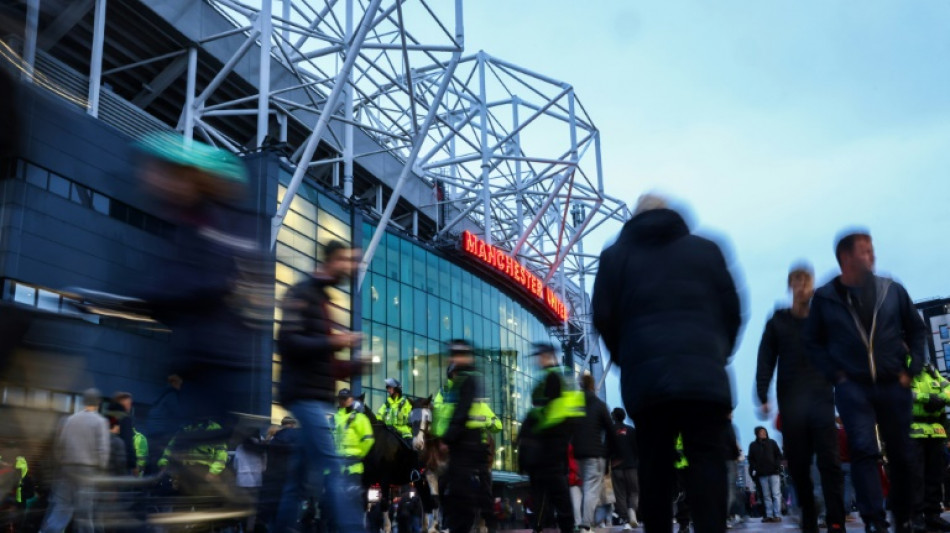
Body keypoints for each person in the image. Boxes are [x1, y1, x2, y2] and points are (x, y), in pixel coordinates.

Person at [592, 194, 742, 533]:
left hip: (648, 380)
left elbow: (602, 316)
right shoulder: (707, 249)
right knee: (706, 462)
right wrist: (718, 353)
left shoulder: (616, 256)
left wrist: (626, 356)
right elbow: (732, 309)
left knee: (655, 467)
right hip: (704, 379)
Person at [805, 231, 927, 533]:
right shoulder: (825, 297)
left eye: (872, 250)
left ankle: (905, 515)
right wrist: (837, 375)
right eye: (864, 251)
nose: (872, 256)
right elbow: (811, 341)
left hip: (892, 382)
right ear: (846, 258)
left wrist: (912, 370)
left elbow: (917, 329)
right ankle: (874, 518)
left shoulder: (892, 290)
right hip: (852, 387)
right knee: (862, 449)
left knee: (901, 451)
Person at [274, 240, 365, 533]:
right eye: (347, 261)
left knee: (297, 483)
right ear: (332, 260)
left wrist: (355, 366)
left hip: (314, 397)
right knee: (333, 467)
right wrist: (335, 341)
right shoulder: (303, 293)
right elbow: (288, 342)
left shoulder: (324, 299)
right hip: (304, 397)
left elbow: (324, 363)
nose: (351, 268)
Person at [756, 264, 845, 533]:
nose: (801, 288)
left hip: (821, 399)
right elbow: (765, 359)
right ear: (790, 286)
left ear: (813, 287)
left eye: (806, 283)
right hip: (791, 402)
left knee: (830, 462)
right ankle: (808, 513)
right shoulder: (777, 322)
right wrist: (763, 394)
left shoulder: (825, 320)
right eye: (796, 282)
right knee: (798, 464)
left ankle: (836, 519)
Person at [519, 342, 584, 533]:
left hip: (550, 441)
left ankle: (562, 526)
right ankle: (547, 525)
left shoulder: (553, 377)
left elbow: (548, 412)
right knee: (547, 487)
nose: (537, 360)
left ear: (548, 356)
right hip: (553, 441)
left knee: (553, 487)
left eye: (540, 356)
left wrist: (533, 428)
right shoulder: (562, 376)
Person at [438, 339, 498, 533]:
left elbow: (463, 413)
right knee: (455, 490)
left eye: (456, 355)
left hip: (470, 445)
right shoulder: (453, 388)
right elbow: (445, 414)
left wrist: (448, 437)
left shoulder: (468, 380)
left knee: (473, 493)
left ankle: (487, 525)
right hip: (461, 444)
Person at [39, 388, 110, 533]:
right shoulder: (100, 422)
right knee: (84, 513)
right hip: (87, 471)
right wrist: (101, 469)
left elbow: (60, 445)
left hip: (67, 469)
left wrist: (63, 463)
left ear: (84, 402)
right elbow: (103, 450)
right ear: (98, 403)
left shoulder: (70, 420)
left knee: (61, 508)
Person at [909, 362, 950, 531]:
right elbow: (902, 393)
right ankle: (916, 517)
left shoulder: (930, 370)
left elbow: (948, 387)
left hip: (935, 430)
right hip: (912, 431)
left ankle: (933, 515)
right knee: (915, 477)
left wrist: (940, 398)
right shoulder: (898, 366)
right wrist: (927, 398)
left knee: (935, 476)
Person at [574, 374, 618, 531]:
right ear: (593, 386)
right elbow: (611, 431)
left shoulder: (576, 406)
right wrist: (611, 453)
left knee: (585, 487)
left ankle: (585, 521)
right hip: (595, 453)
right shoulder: (599, 404)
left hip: (579, 454)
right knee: (591, 489)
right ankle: (585, 524)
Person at [333, 388, 375, 486]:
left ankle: (414, 471)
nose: (342, 401)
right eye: (341, 399)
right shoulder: (333, 418)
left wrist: (358, 455)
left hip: (353, 468)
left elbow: (368, 440)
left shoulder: (360, 418)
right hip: (335, 469)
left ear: (351, 400)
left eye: (345, 399)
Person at [611, 407, 640, 530]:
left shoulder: (610, 431)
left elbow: (607, 448)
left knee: (620, 494)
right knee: (634, 492)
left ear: (613, 417)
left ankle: (625, 519)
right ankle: (632, 512)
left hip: (616, 467)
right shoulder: (632, 430)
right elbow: (637, 449)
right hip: (631, 467)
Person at [747, 427, 783, 522]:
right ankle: (769, 515)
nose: (763, 433)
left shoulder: (772, 442)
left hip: (774, 472)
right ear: (757, 434)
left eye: (764, 431)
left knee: (776, 494)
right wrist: (756, 468)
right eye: (761, 432)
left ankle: (777, 515)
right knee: (766, 495)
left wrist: (776, 465)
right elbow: (750, 459)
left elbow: (779, 455)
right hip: (762, 474)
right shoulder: (753, 445)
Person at [379, 377, 413, 443]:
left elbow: (410, 419)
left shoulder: (405, 402)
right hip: (390, 433)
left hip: (404, 434)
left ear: (396, 389)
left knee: (413, 451)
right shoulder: (387, 403)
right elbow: (379, 415)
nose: (388, 390)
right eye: (387, 388)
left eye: (390, 388)